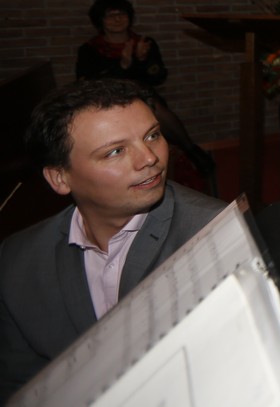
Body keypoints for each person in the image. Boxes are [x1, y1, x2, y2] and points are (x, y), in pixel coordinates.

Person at [0, 79, 224, 398]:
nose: (149, 158)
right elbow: (18, 384)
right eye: (115, 151)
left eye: (152, 135)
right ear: (59, 177)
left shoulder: (213, 232)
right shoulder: (17, 259)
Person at [75, 0, 215, 193]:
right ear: (100, 20)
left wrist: (142, 60)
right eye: (110, 15)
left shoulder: (144, 42)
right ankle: (192, 149)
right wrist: (124, 64)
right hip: (107, 105)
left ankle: (189, 151)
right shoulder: (89, 50)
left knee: (151, 106)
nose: (117, 19)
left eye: (122, 14)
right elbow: (89, 85)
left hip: (145, 99)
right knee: (150, 107)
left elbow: (158, 77)